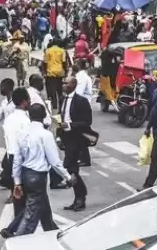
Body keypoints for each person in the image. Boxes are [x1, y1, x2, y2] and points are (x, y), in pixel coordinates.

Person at [5, 103, 74, 238]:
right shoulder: (45, 135)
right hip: (38, 177)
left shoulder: (21, 134)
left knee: (40, 206)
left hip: (25, 174)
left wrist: (17, 182)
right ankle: (19, 239)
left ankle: (52, 231)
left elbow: (17, 160)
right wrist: (68, 177)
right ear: (43, 116)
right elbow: (55, 162)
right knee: (31, 214)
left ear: (29, 115)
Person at [59, 76, 91, 212]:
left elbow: (87, 122)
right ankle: (79, 198)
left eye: (66, 83)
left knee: (70, 168)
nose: (63, 85)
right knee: (72, 169)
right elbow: (60, 119)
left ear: (73, 85)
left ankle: (81, 196)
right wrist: (59, 137)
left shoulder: (81, 101)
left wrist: (70, 125)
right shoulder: (63, 99)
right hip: (66, 138)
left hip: (76, 139)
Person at [2, 88, 30, 209]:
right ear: (24, 102)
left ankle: (17, 223)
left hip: (10, 157)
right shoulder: (26, 120)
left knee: (17, 197)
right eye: (28, 99)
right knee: (26, 197)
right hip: (22, 159)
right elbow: (27, 144)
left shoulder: (8, 119)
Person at [43, 39, 67, 112]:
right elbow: (64, 62)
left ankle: (54, 106)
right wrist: (65, 71)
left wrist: (44, 72)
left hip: (50, 73)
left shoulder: (48, 50)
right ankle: (61, 105)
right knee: (60, 90)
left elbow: (45, 62)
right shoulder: (62, 51)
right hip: (59, 72)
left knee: (52, 90)